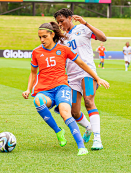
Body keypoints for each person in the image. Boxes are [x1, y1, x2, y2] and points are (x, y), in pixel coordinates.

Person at [22, 22, 110, 155]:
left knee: (65, 113)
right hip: (45, 91)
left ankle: (81, 146)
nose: (42, 40)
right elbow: (33, 73)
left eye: (44, 36)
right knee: (38, 101)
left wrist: (97, 78)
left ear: (52, 35)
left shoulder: (63, 49)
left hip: (62, 88)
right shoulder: (36, 52)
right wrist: (28, 89)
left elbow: (81, 63)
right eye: (40, 37)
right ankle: (58, 131)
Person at [54, 8, 107, 150]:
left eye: (62, 21)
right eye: (58, 22)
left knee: (89, 102)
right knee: (74, 112)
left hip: (87, 72)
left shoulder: (83, 29)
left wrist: (86, 23)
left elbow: (103, 38)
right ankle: (89, 128)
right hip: (72, 76)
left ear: (70, 18)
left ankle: (97, 139)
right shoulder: (61, 39)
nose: (60, 24)